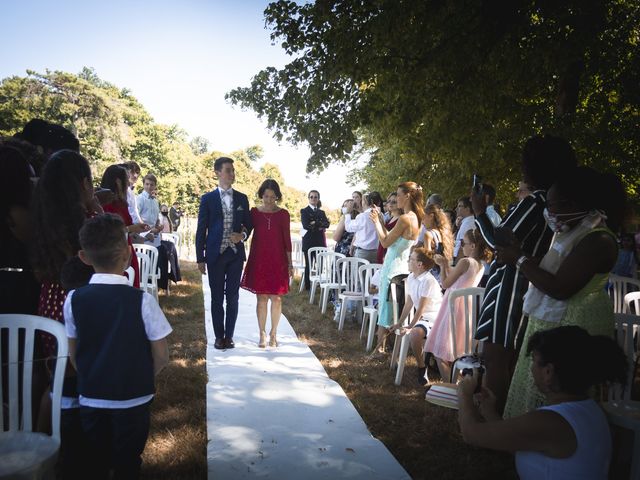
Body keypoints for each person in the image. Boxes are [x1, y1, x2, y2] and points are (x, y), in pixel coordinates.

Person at [496, 166, 622, 417]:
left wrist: (519, 259)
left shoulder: (598, 240)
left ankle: (554, 443)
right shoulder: (573, 231)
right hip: (554, 323)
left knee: (563, 391)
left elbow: (559, 287)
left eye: (553, 205)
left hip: (576, 326)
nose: (548, 212)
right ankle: (527, 444)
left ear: (573, 203)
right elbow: (552, 273)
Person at [472, 134, 577, 413]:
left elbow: (499, 242)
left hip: (511, 283)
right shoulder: (555, 203)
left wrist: (480, 213)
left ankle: (494, 418)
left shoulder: (536, 203)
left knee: (496, 354)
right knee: (506, 355)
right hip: (526, 282)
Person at [64, 214, 171, 479]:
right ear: (127, 253)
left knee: (96, 461)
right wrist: (143, 377)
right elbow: (161, 355)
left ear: (84, 256)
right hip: (134, 397)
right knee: (128, 461)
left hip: (91, 395)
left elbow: (74, 354)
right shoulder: (142, 301)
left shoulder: (74, 299)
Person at [458, 326, 627, 480]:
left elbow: (471, 434)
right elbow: (518, 441)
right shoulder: (592, 410)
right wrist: (489, 411)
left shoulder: (552, 421)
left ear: (548, 372)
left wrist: (464, 394)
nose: (531, 368)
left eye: (534, 361)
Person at [196, 157, 252, 349]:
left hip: (236, 255)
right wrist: (200, 258)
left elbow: (249, 225)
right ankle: (219, 336)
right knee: (217, 297)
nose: (232, 173)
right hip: (215, 254)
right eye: (228, 170)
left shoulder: (242, 198)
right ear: (218, 173)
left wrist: (242, 235)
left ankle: (230, 336)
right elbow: (201, 229)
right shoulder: (207, 199)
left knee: (233, 297)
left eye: (233, 170)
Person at [423, 229, 489, 381]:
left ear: (472, 246)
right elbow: (456, 275)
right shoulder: (480, 265)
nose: (461, 246)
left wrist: (442, 266)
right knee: (457, 349)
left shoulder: (465, 261)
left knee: (441, 351)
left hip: (452, 308)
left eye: (463, 243)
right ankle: (457, 382)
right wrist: (446, 265)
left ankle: (450, 386)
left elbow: (446, 283)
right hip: (466, 310)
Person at [369, 182, 423, 352]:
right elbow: (391, 238)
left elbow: (385, 242)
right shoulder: (416, 218)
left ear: (407, 196)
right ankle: (390, 347)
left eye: (398, 195)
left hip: (392, 267)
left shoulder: (405, 218)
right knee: (394, 308)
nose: (395, 199)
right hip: (402, 267)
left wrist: (377, 222)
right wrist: (382, 222)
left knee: (385, 308)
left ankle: (379, 349)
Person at [241, 179, 293, 347]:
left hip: (278, 260)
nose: (269, 200)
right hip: (260, 259)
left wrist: (290, 264)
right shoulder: (254, 212)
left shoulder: (283, 214)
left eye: (272, 197)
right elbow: (246, 231)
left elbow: (287, 240)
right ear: (261, 195)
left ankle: (274, 333)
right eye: (266, 196)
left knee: (276, 298)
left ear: (277, 197)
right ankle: (262, 333)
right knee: (261, 298)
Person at [386, 247, 443, 384]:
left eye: (411, 259)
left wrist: (411, 326)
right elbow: (409, 303)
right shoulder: (411, 277)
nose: (408, 260)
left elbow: (422, 308)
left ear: (419, 264)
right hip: (423, 318)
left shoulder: (428, 281)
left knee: (415, 334)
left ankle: (422, 368)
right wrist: (399, 323)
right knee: (414, 333)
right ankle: (422, 365)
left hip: (435, 318)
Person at [100, 164, 150, 289]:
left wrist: (135, 228)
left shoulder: (121, 203)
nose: (128, 183)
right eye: (126, 180)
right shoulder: (106, 204)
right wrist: (131, 229)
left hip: (126, 248)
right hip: (114, 253)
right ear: (118, 182)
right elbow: (108, 231)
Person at [300, 190, 330, 291]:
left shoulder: (322, 212)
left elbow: (327, 224)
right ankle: (308, 287)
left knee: (320, 264)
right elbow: (306, 225)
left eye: (315, 197)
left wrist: (314, 223)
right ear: (308, 198)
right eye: (311, 197)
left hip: (320, 242)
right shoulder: (304, 211)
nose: (313, 199)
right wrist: (319, 224)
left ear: (318, 199)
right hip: (308, 242)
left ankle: (318, 285)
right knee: (308, 264)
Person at [345, 191, 383, 263]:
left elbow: (348, 227)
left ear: (365, 201)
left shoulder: (362, 217)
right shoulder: (381, 215)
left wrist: (347, 213)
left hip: (363, 253)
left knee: (359, 273)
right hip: (376, 252)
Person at [377, 192, 400, 263]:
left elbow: (389, 237)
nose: (390, 204)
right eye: (389, 201)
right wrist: (379, 221)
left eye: (394, 202)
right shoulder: (390, 219)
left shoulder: (401, 220)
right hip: (382, 251)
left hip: (389, 254)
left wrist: (377, 222)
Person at [453, 197, 475, 262]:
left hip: (461, 260)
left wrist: (456, 265)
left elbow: (462, 246)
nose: (456, 209)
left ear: (467, 209)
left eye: (460, 206)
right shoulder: (467, 221)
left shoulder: (468, 223)